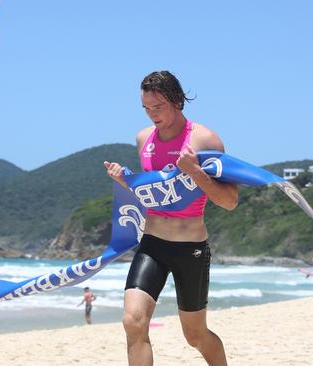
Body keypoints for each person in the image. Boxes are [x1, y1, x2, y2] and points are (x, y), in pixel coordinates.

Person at [103, 70, 238, 366]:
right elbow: (157, 190)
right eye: (146, 108)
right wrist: (126, 180)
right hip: (152, 245)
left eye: (158, 107)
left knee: (196, 336)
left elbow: (229, 201)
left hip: (190, 249)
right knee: (133, 322)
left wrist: (195, 171)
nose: (152, 115)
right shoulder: (143, 139)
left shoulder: (204, 139)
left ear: (177, 101)